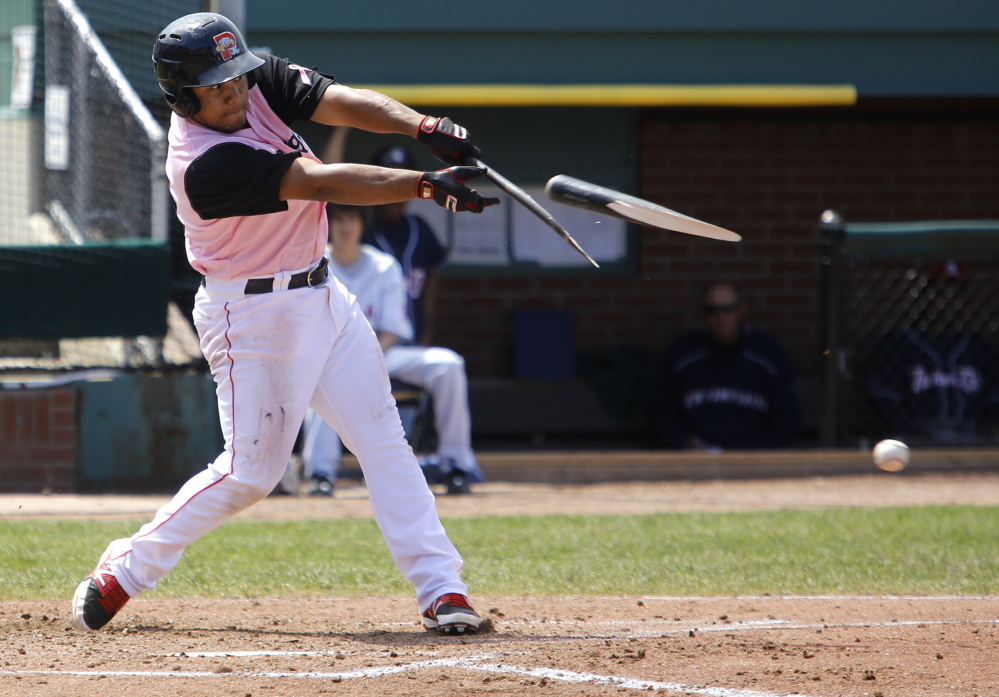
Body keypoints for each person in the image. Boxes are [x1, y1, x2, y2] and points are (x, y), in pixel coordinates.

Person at [71, 12, 499, 636]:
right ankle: (126, 568)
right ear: (183, 95)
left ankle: (441, 589)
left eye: (236, 77)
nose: (235, 92)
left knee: (382, 438)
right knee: (251, 474)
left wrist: (424, 126)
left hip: (322, 293)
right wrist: (426, 187)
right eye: (216, 86)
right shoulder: (202, 164)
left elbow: (339, 100)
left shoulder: (250, 79)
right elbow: (319, 182)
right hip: (253, 317)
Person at [300, 204, 484, 496]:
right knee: (322, 377)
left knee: (448, 365)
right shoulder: (311, 267)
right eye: (338, 219)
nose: (346, 226)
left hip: (381, 353)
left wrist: (364, 356)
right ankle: (321, 474)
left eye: (352, 219)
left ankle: (456, 466)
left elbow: (392, 331)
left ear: (362, 225)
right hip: (332, 358)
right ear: (326, 225)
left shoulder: (384, 265)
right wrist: (346, 359)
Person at [651, 281, 799, 450]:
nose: (721, 317)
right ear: (704, 314)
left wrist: (759, 453)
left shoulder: (767, 353)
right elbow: (659, 410)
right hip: (696, 456)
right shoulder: (683, 353)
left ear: (742, 310)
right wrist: (684, 442)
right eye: (712, 310)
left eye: (729, 309)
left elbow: (786, 416)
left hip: (753, 455)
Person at [867, 261, 999, 445]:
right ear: (923, 295)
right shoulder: (899, 345)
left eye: (956, 293)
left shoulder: (978, 347)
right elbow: (885, 398)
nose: (948, 300)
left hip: (971, 434)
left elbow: (994, 396)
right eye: (940, 291)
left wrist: (987, 428)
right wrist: (913, 431)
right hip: (918, 436)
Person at [363, 145, 448, 347]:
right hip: (371, 346)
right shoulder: (360, 231)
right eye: (390, 181)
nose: (396, 190)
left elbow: (435, 271)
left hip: (413, 344)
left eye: (403, 181)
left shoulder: (419, 228)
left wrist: (427, 327)